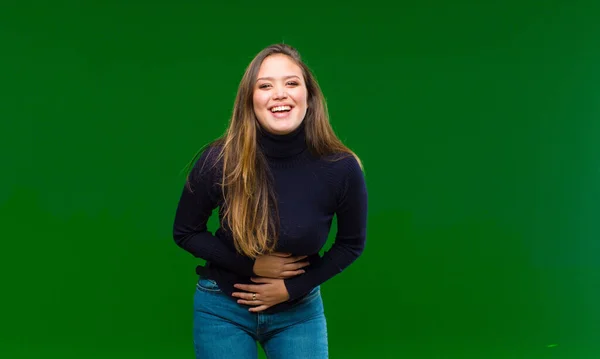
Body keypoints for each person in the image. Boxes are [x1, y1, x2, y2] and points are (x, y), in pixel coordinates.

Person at [172, 43, 368, 359]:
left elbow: (351, 245)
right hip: (223, 307)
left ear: (310, 97)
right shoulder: (219, 160)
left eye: (291, 83)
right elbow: (185, 231)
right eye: (265, 85)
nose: (280, 94)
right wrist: (252, 265)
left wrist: (291, 289)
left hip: (299, 310)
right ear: (250, 101)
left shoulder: (341, 167)